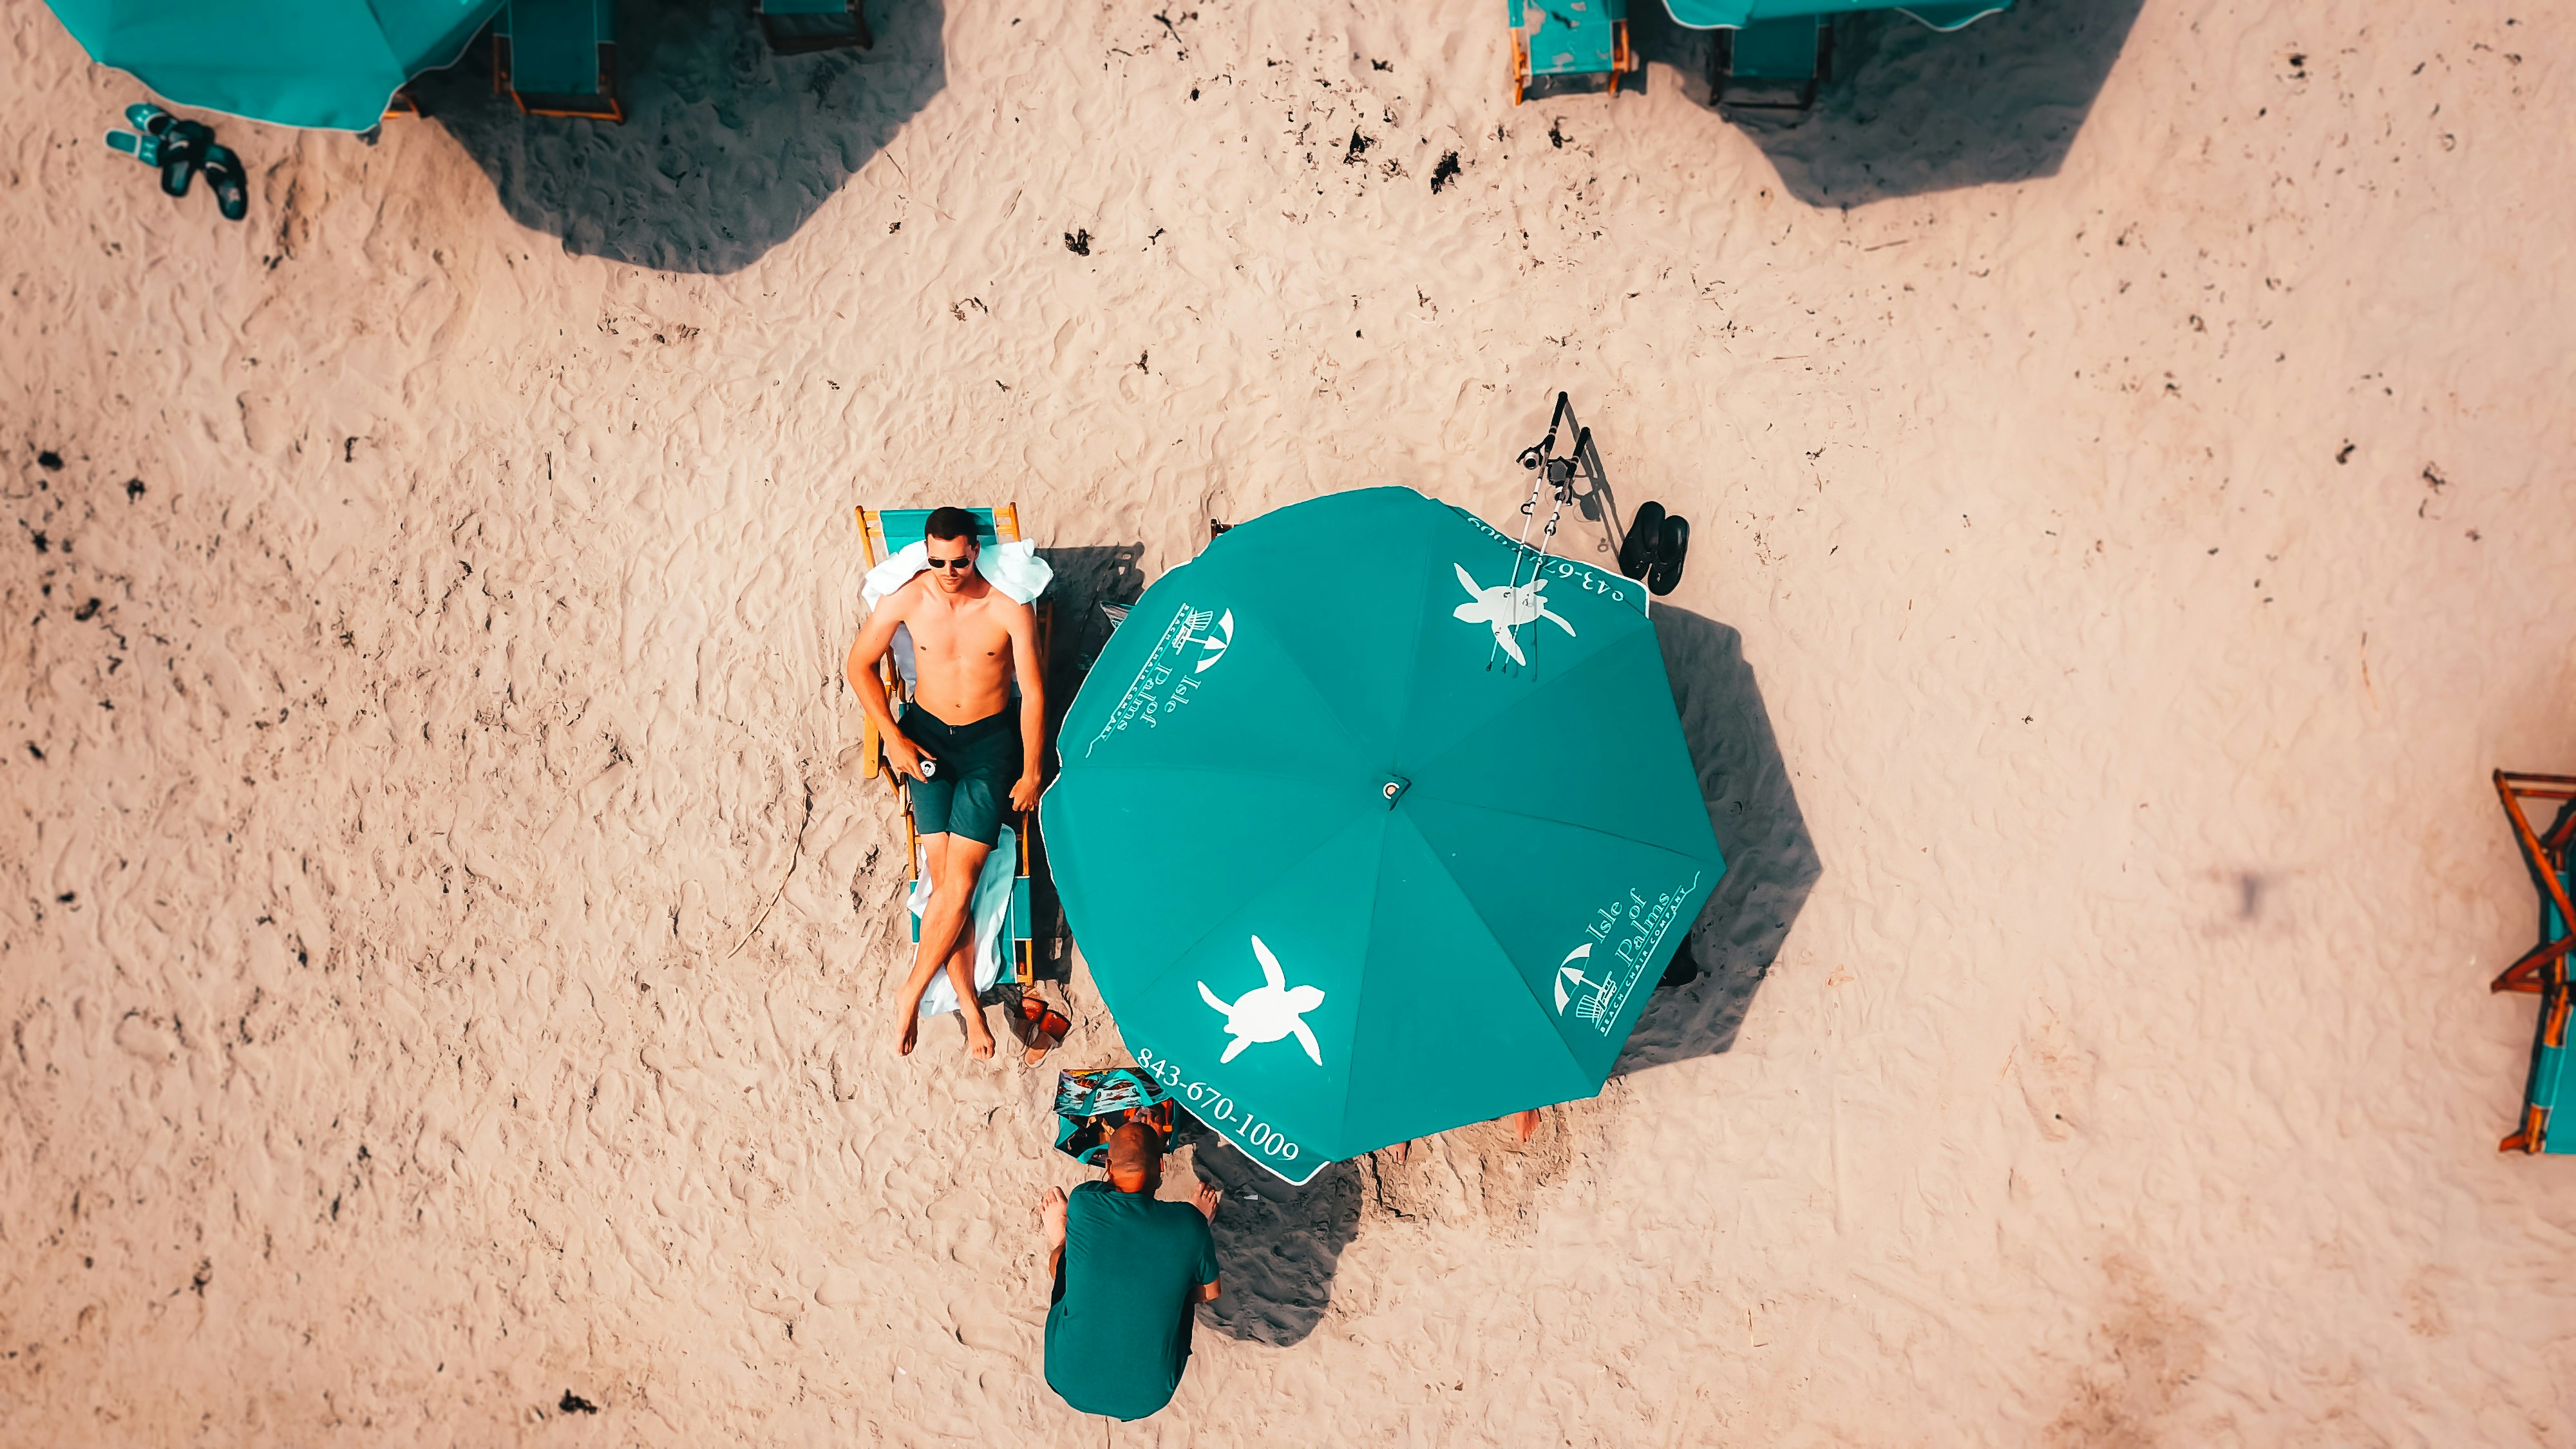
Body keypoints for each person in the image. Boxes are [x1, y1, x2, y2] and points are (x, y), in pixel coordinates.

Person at [845, 507, 1046, 1058]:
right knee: (941, 880)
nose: (949, 571)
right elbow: (859, 663)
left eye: (958, 560)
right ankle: (968, 1003)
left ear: (976, 551)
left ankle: (911, 990)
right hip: (927, 738)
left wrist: (1030, 773)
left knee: (958, 883)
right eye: (938, 560)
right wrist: (893, 736)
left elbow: (1032, 692)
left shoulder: (1008, 607)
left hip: (988, 747)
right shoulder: (911, 596)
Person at [1041, 1123, 1222, 1421]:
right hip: (1149, 1396)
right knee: (1180, 1279)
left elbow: (1114, 1195)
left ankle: (1060, 1239)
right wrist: (1194, 1232)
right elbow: (1210, 1292)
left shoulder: (1084, 1201)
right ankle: (1188, 1245)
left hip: (1065, 1377)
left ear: (1108, 1167)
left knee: (1070, 1260)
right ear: (1162, 1165)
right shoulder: (1187, 1221)